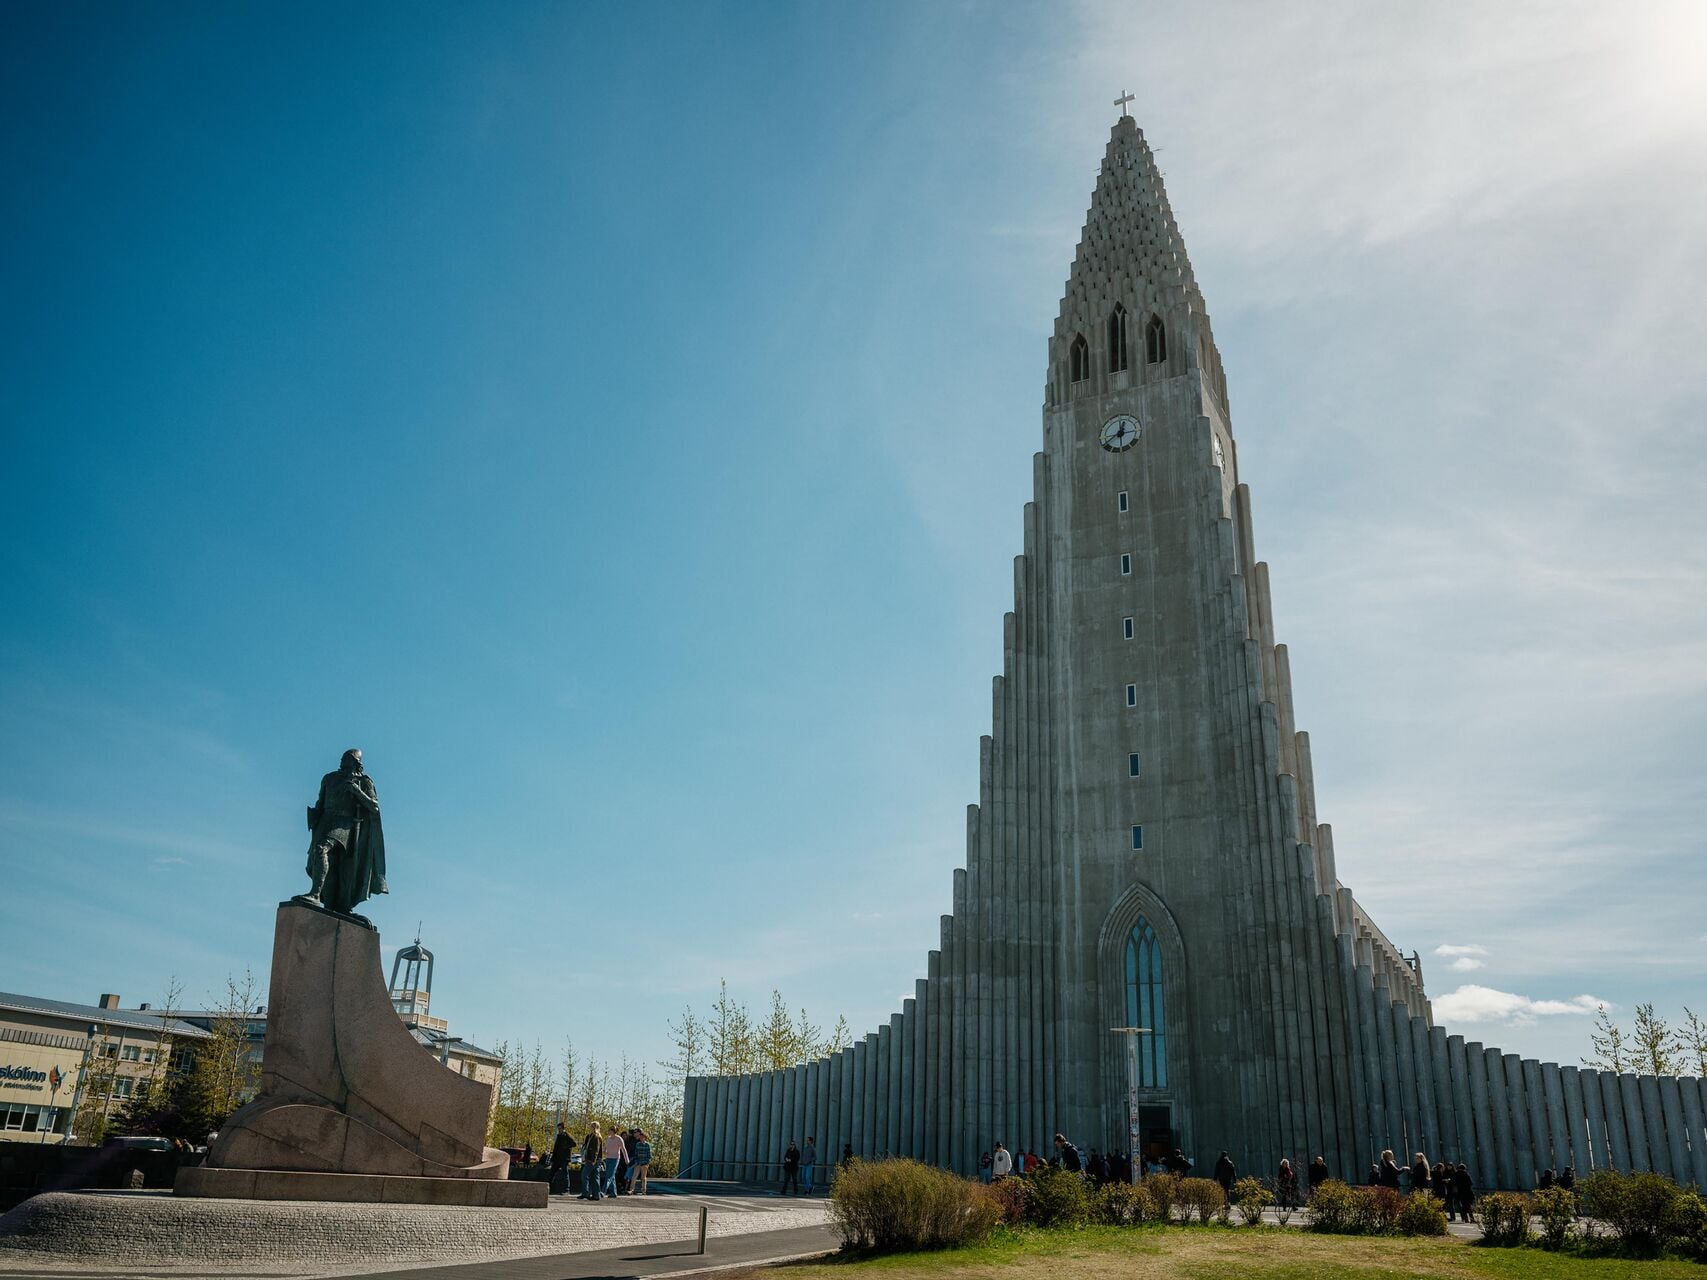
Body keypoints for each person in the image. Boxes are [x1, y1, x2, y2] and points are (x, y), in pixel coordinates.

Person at [300, 748, 388, 917]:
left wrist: (356, 791)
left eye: (348, 759)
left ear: (356, 762)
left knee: (322, 850)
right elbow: (321, 802)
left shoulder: (363, 781)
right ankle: (332, 902)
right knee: (331, 864)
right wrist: (314, 815)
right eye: (342, 758)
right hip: (325, 822)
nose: (342, 761)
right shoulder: (329, 778)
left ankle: (315, 894)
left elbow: (374, 806)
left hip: (345, 825)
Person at [579, 1124, 604, 1200]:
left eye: (592, 1126)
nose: (591, 1128)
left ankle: (586, 1193)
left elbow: (596, 1150)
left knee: (584, 1175)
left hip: (593, 1160)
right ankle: (596, 1195)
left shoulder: (596, 1137)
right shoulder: (591, 1136)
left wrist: (593, 1160)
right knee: (594, 1177)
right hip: (593, 1159)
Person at [602, 1125, 628, 1198]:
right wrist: (604, 1151)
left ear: (614, 1131)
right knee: (611, 1176)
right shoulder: (608, 1138)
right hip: (608, 1158)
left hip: (615, 1159)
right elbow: (605, 1148)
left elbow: (623, 1149)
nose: (609, 1131)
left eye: (610, 1130)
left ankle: (603, 1191)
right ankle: (613, 1193)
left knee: (609, 1176)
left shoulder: (619, 1139)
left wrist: (627, 1159)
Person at [550, 1122, 573, 1196]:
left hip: (564, 1158)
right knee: (551, 1173)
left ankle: (567, 1190)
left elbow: (574, 1143)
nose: (559, 1130)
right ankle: (549, 1188)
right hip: (557, 1158)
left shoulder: (567, 1135)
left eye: (560, 1128)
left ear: (563, 1128)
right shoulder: (559, 1136)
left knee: (565, 1174)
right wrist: (553, 1157)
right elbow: (556, 1148)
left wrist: (565, 1146)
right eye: (558, 1129)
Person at [628, 1129, 652, 1196]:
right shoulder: (637, 1144)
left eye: (642, 1137)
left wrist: (647, 1163)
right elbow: (636, 1153)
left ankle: (644, 1191)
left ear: (645, 1137)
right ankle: (631, 1190)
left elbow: (649, 1155)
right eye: (640, 1137)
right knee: (634, 1176)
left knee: (643, 1178)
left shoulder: (647, 1145)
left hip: (645, 1163)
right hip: (638, 1163)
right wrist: (636, 1161)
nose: (641, 1138)